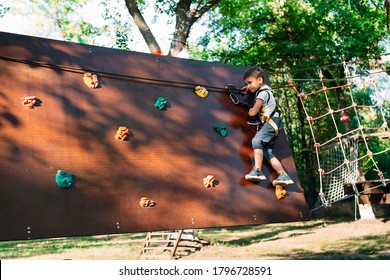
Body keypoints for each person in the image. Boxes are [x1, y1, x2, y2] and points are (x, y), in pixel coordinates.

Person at [242, 66, 294, 186]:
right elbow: (254, 90)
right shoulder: (265, 90)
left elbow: (253, 112)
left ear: (260, 80)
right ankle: (283, 175)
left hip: (272, 122)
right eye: (247, 84)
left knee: (256, 140)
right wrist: (249, 88)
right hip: (274, 124)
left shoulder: (263, 93)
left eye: (250, 83)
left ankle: (257, 171)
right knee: (266, 151)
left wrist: (250, 111)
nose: (248, 86)